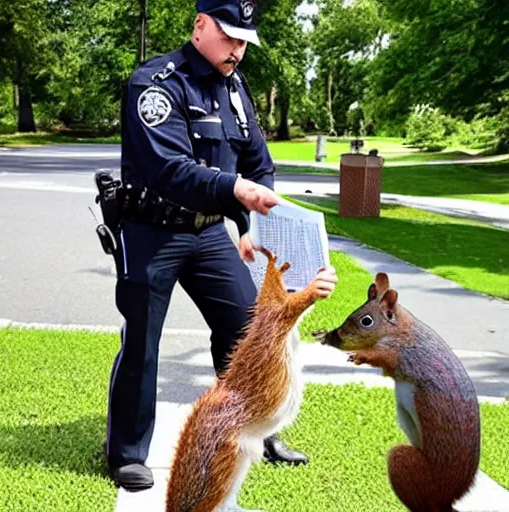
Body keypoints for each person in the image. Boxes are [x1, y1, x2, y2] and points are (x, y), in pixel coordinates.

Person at [104, 0, 338, 491]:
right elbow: (168, 169)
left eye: (243, 42)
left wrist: (251, 223)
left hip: (210, 231)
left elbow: (258, 161)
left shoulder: (234, 87)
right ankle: (126, 451)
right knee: (143, 338)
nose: (237, 50)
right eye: (229, 37)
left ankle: (257, 429)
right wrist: (236, 191)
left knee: (249, 330)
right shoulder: (156, 83)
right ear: (200, 26)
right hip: (152, 229)